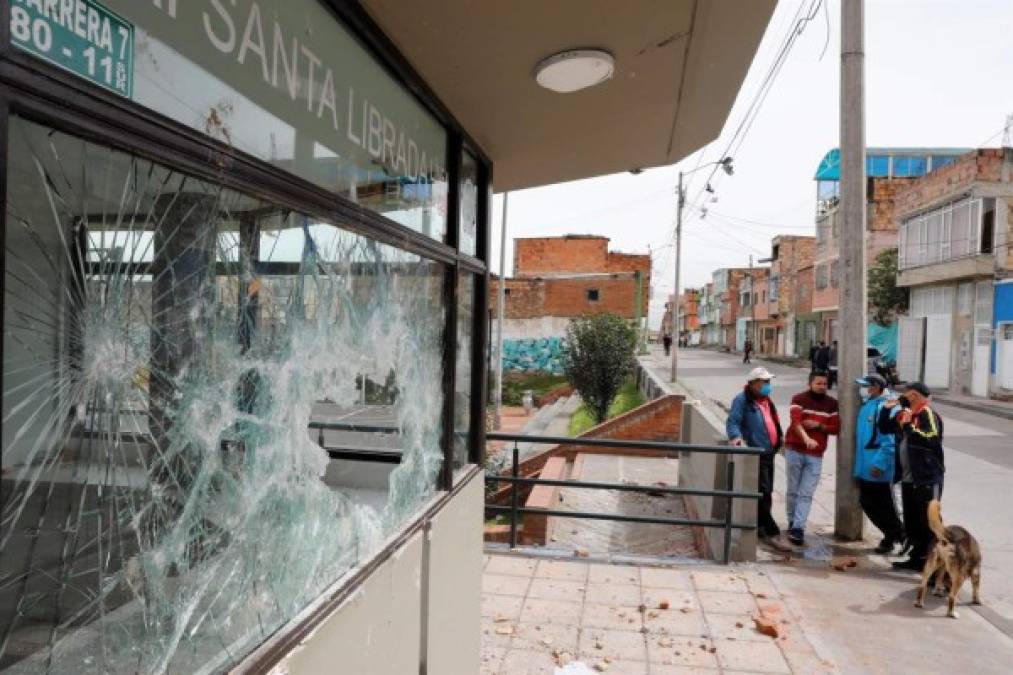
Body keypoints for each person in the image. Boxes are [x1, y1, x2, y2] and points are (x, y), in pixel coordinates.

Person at [878, 382, 944, 571]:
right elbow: (884, 427)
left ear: (913, 396)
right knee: (913, 522)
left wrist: (908, 427)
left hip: (926, 478)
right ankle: (917, 559)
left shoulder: (926, 414)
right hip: (908, 479)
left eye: (905, 395)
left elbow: (931, 438)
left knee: (930, 523)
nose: (902, 397)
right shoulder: (906, 415)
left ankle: (937, 567)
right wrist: (886, 409)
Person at [726, 367, 783, 540]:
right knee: (762, 491)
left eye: (769, 382)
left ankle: (762, 523)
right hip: (755, 452)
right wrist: (736, 437)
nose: (768, 385)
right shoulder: (742, 400)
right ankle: (767, 525)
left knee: (767, 490)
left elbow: (773, 421)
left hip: (769, 452)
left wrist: (780, 439)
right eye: (764, 382)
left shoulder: (766, 400)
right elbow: (733, 422)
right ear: (753, 384)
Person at [783, 370, 839, 545]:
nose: (822, 387)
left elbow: (835, 428)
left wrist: (819, 425)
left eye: (825, 384)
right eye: (819, 383)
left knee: (806, 493)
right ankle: (792, 521)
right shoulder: (799, 399)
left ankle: (798, 528)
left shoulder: (832, 404)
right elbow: (796, 421)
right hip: (795, 450)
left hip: (816, 455)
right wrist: (806, 438)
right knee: (793, 490)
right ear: (810, 384)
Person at [853, 374, 906, 554]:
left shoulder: (887, 406)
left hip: (878, 467)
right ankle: (892, 536)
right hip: (866, 464)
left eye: (868, 386)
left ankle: (900, 535)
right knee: (869, 502)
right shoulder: (869, 404)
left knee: (884, 505)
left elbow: (890, 441)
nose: (865, 389)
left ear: (876, 387)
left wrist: (880, 464)